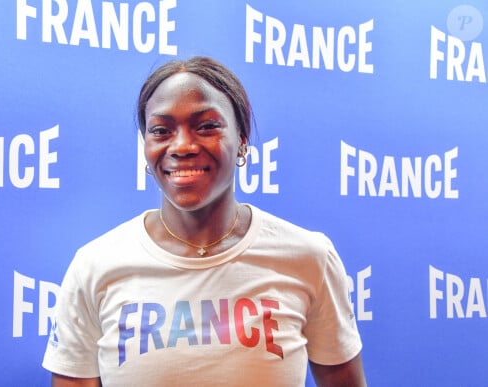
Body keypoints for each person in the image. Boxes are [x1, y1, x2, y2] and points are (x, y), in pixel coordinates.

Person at [42, 56, 366, 386]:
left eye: (207, 126)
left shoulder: (308, 256)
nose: (181, 146)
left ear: (242, 138)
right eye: (161, 130)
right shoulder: (96, 265)